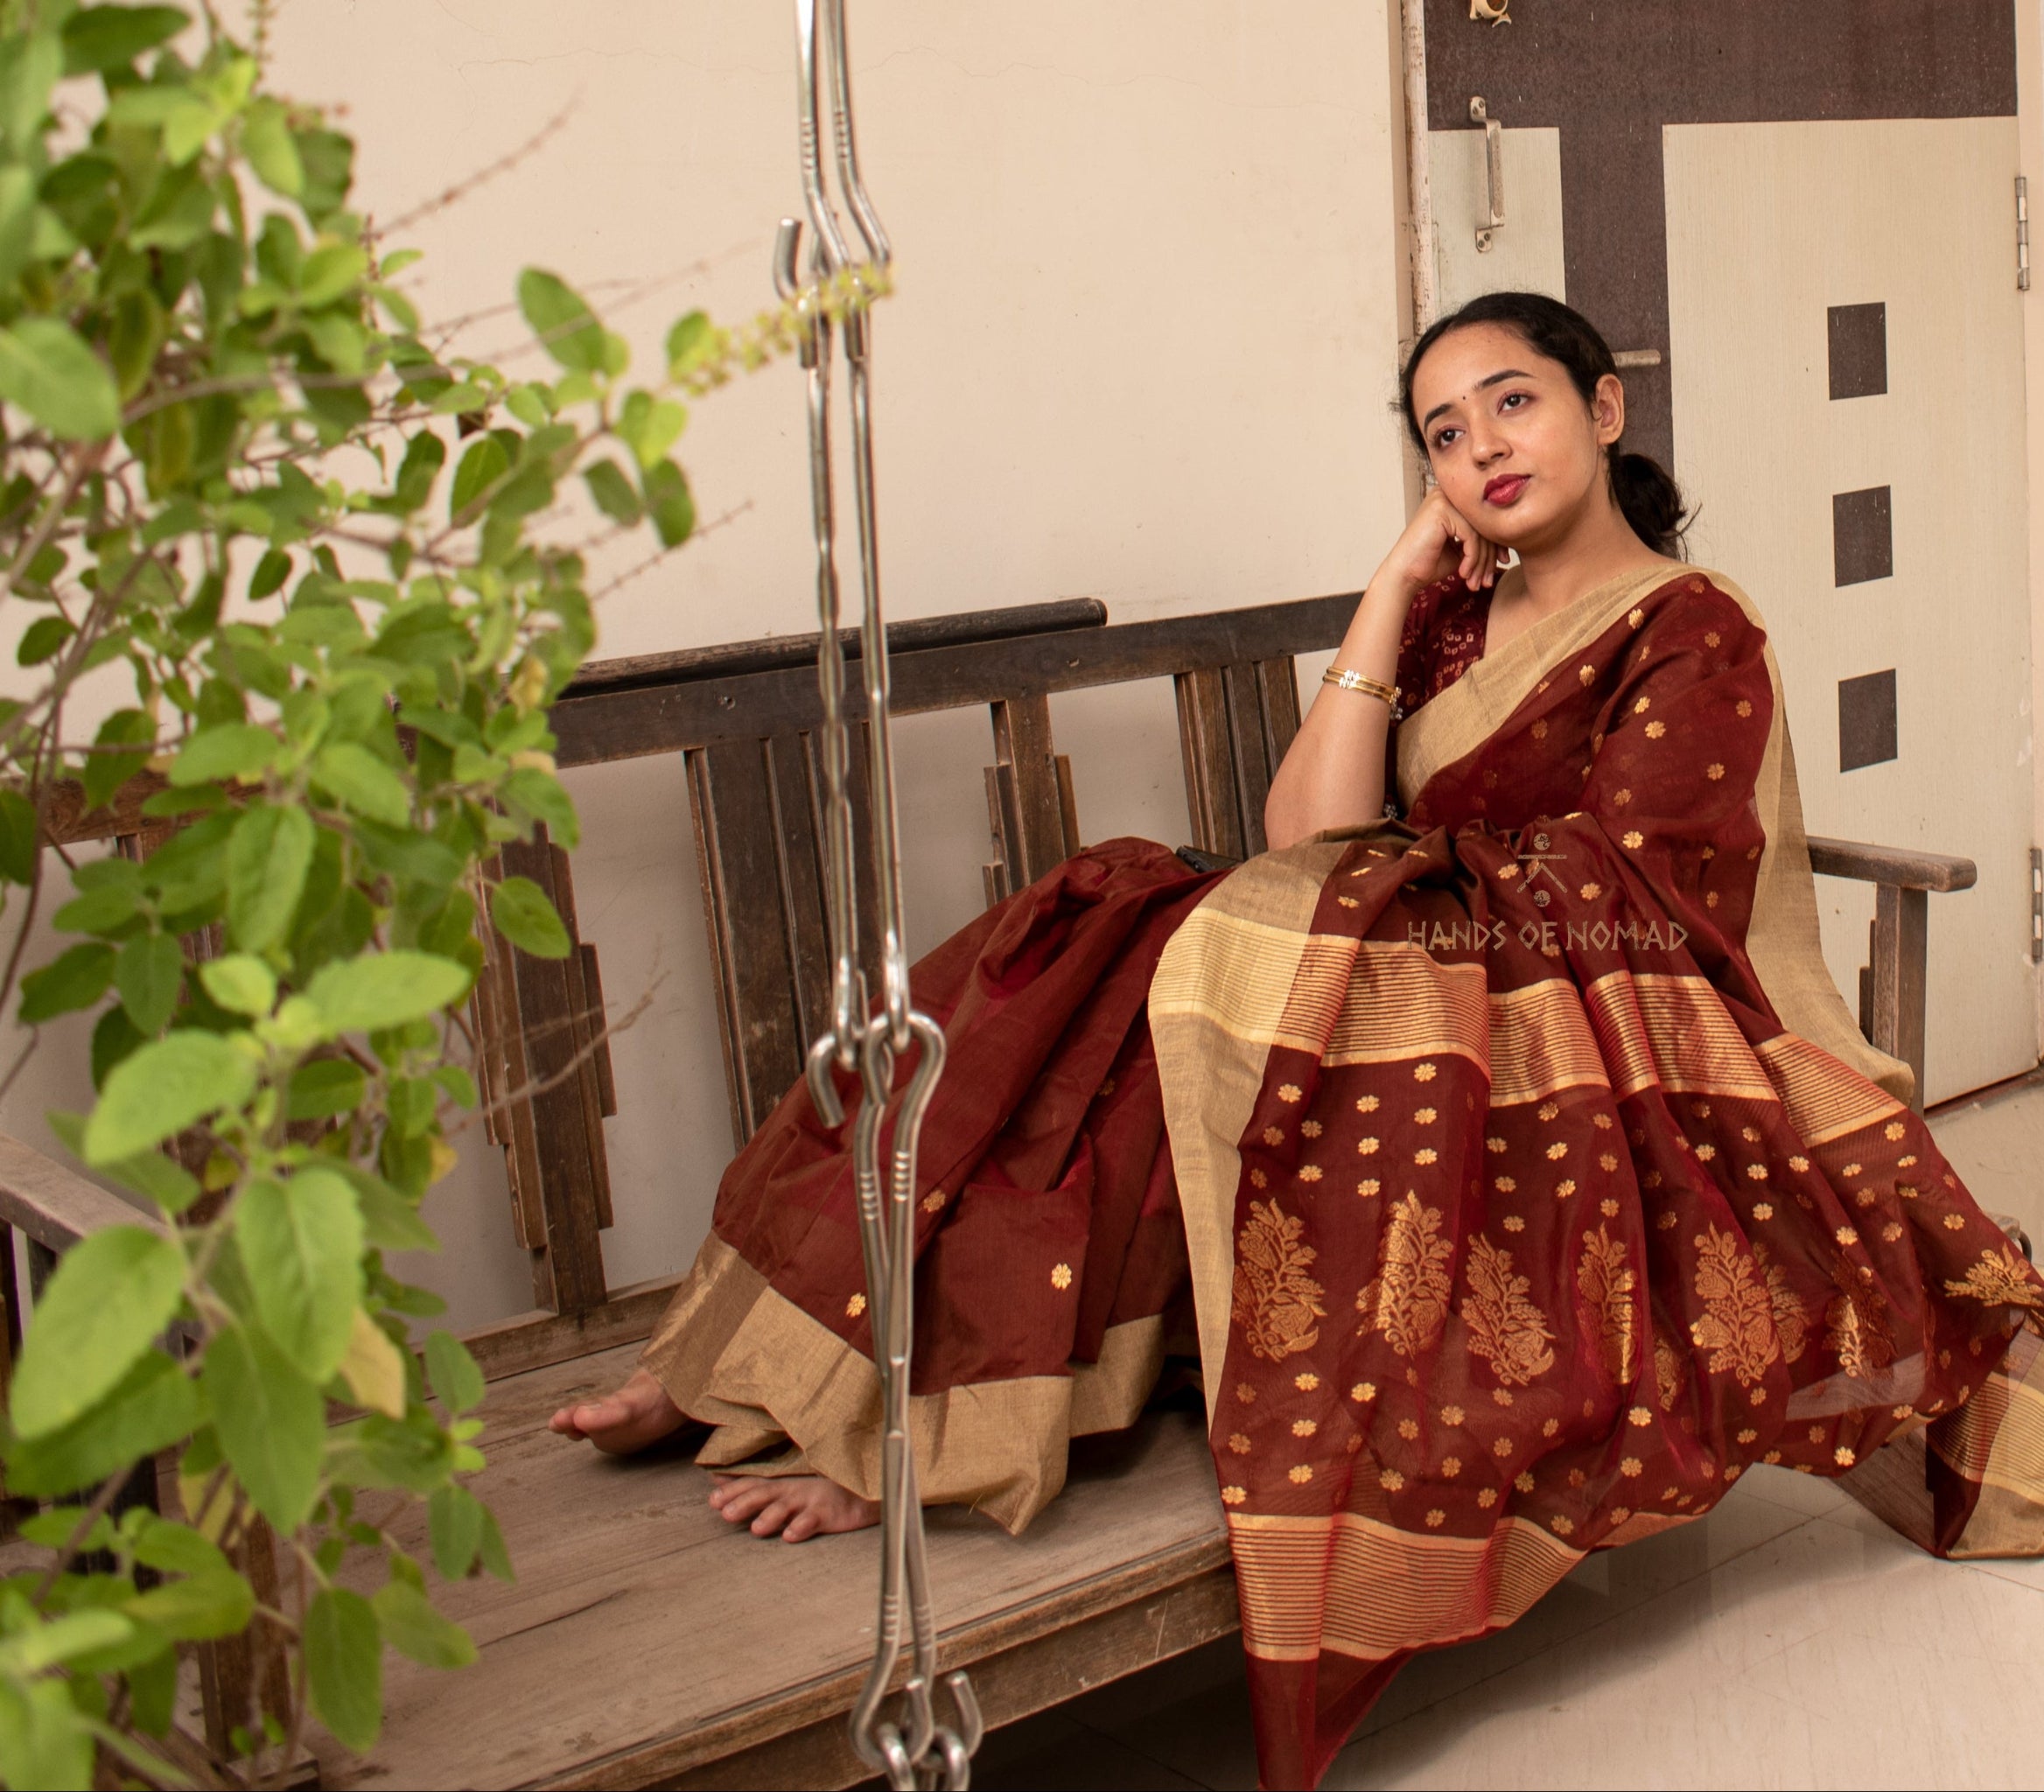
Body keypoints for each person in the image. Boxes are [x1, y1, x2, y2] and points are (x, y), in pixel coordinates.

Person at [552, 291, 2044, 1788]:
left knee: (1180, 946)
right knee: (1101, 930)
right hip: (1404, 968)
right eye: (1442, 435)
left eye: (1512, 403)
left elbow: (1653, 899)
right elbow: (1309, 833)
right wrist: (1396, 586)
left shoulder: (1693, 628)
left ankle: (906, 1423)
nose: (1480, 449)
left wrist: (1404, 902)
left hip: (1580, 1019)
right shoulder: (1453, 615)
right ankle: (825, 1370)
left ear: (1604, 408)